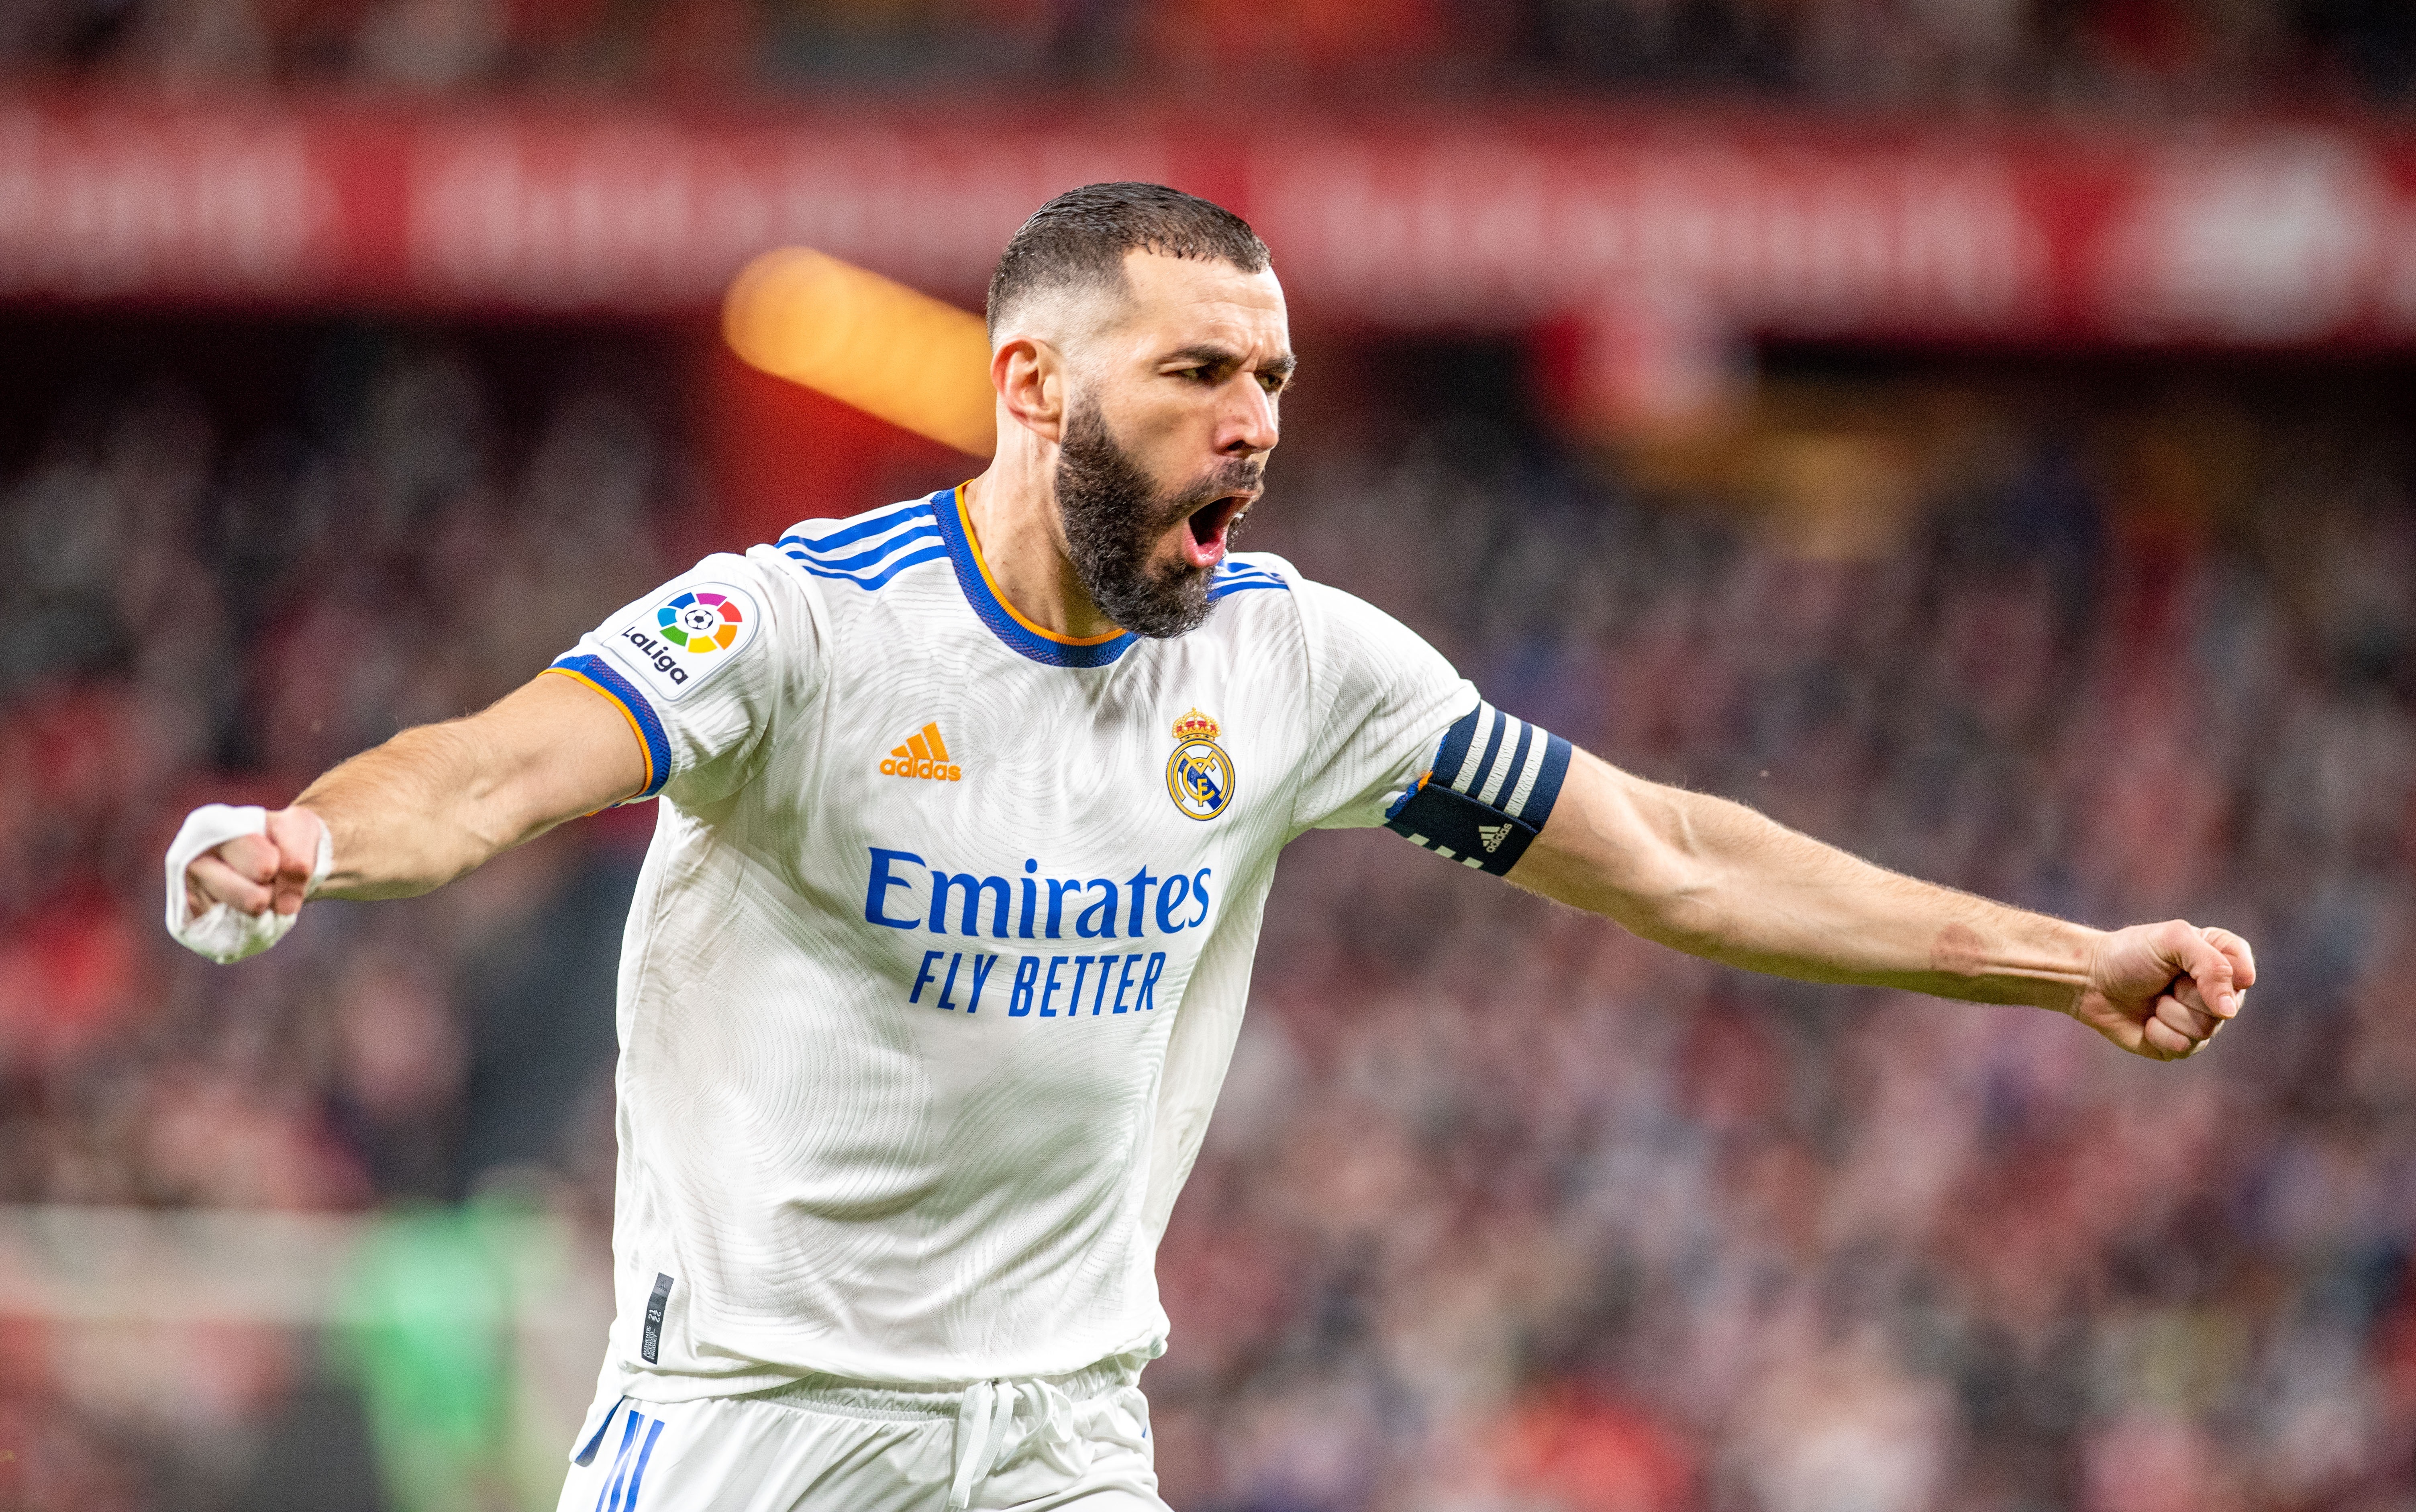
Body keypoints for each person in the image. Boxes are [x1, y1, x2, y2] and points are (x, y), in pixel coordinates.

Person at [168, 184, 2255, 1512]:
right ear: (1030, 384)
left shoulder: (1297, 667)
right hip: (759, 1426)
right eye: (1196, 374)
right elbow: (491, 768)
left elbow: (1679, 860)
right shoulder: (794, 629)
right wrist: (306, 843)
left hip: (1066, 1435)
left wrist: (2063, 959)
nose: (1252, 420)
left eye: (1270, 376)